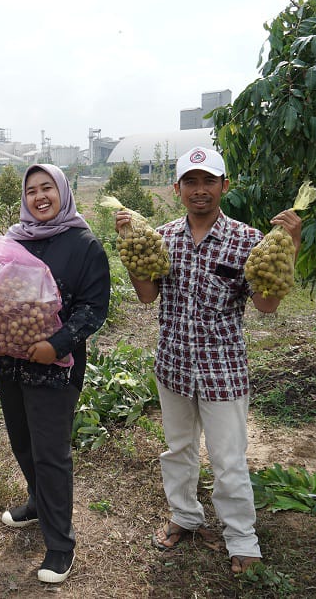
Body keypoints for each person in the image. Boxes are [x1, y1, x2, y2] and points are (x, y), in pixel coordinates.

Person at [114, 146, 302, 575]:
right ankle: (184, 516)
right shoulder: (160, 238)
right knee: (178, 449)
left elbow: (267, 306)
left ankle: (241, 538)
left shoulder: (249, 240)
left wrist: (290, 245)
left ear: (224, 186)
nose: (200, 191)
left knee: (228, 457)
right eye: (191, 182)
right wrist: (128, 242)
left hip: (223, 369)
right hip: (174, 365)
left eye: (209, 181)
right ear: (177, 189)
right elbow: (147, 296)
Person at [0, 163, 111, 584]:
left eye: (47, 188)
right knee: (22, 441)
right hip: (10, 362)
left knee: (51, 453)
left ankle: (60, 545)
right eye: (32, 190)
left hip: (54, 367)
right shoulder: (16, 238)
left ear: (62, 192)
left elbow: (93, 308)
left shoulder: (83, 244)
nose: (40, 196)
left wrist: (57, 345)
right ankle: (36, 503)